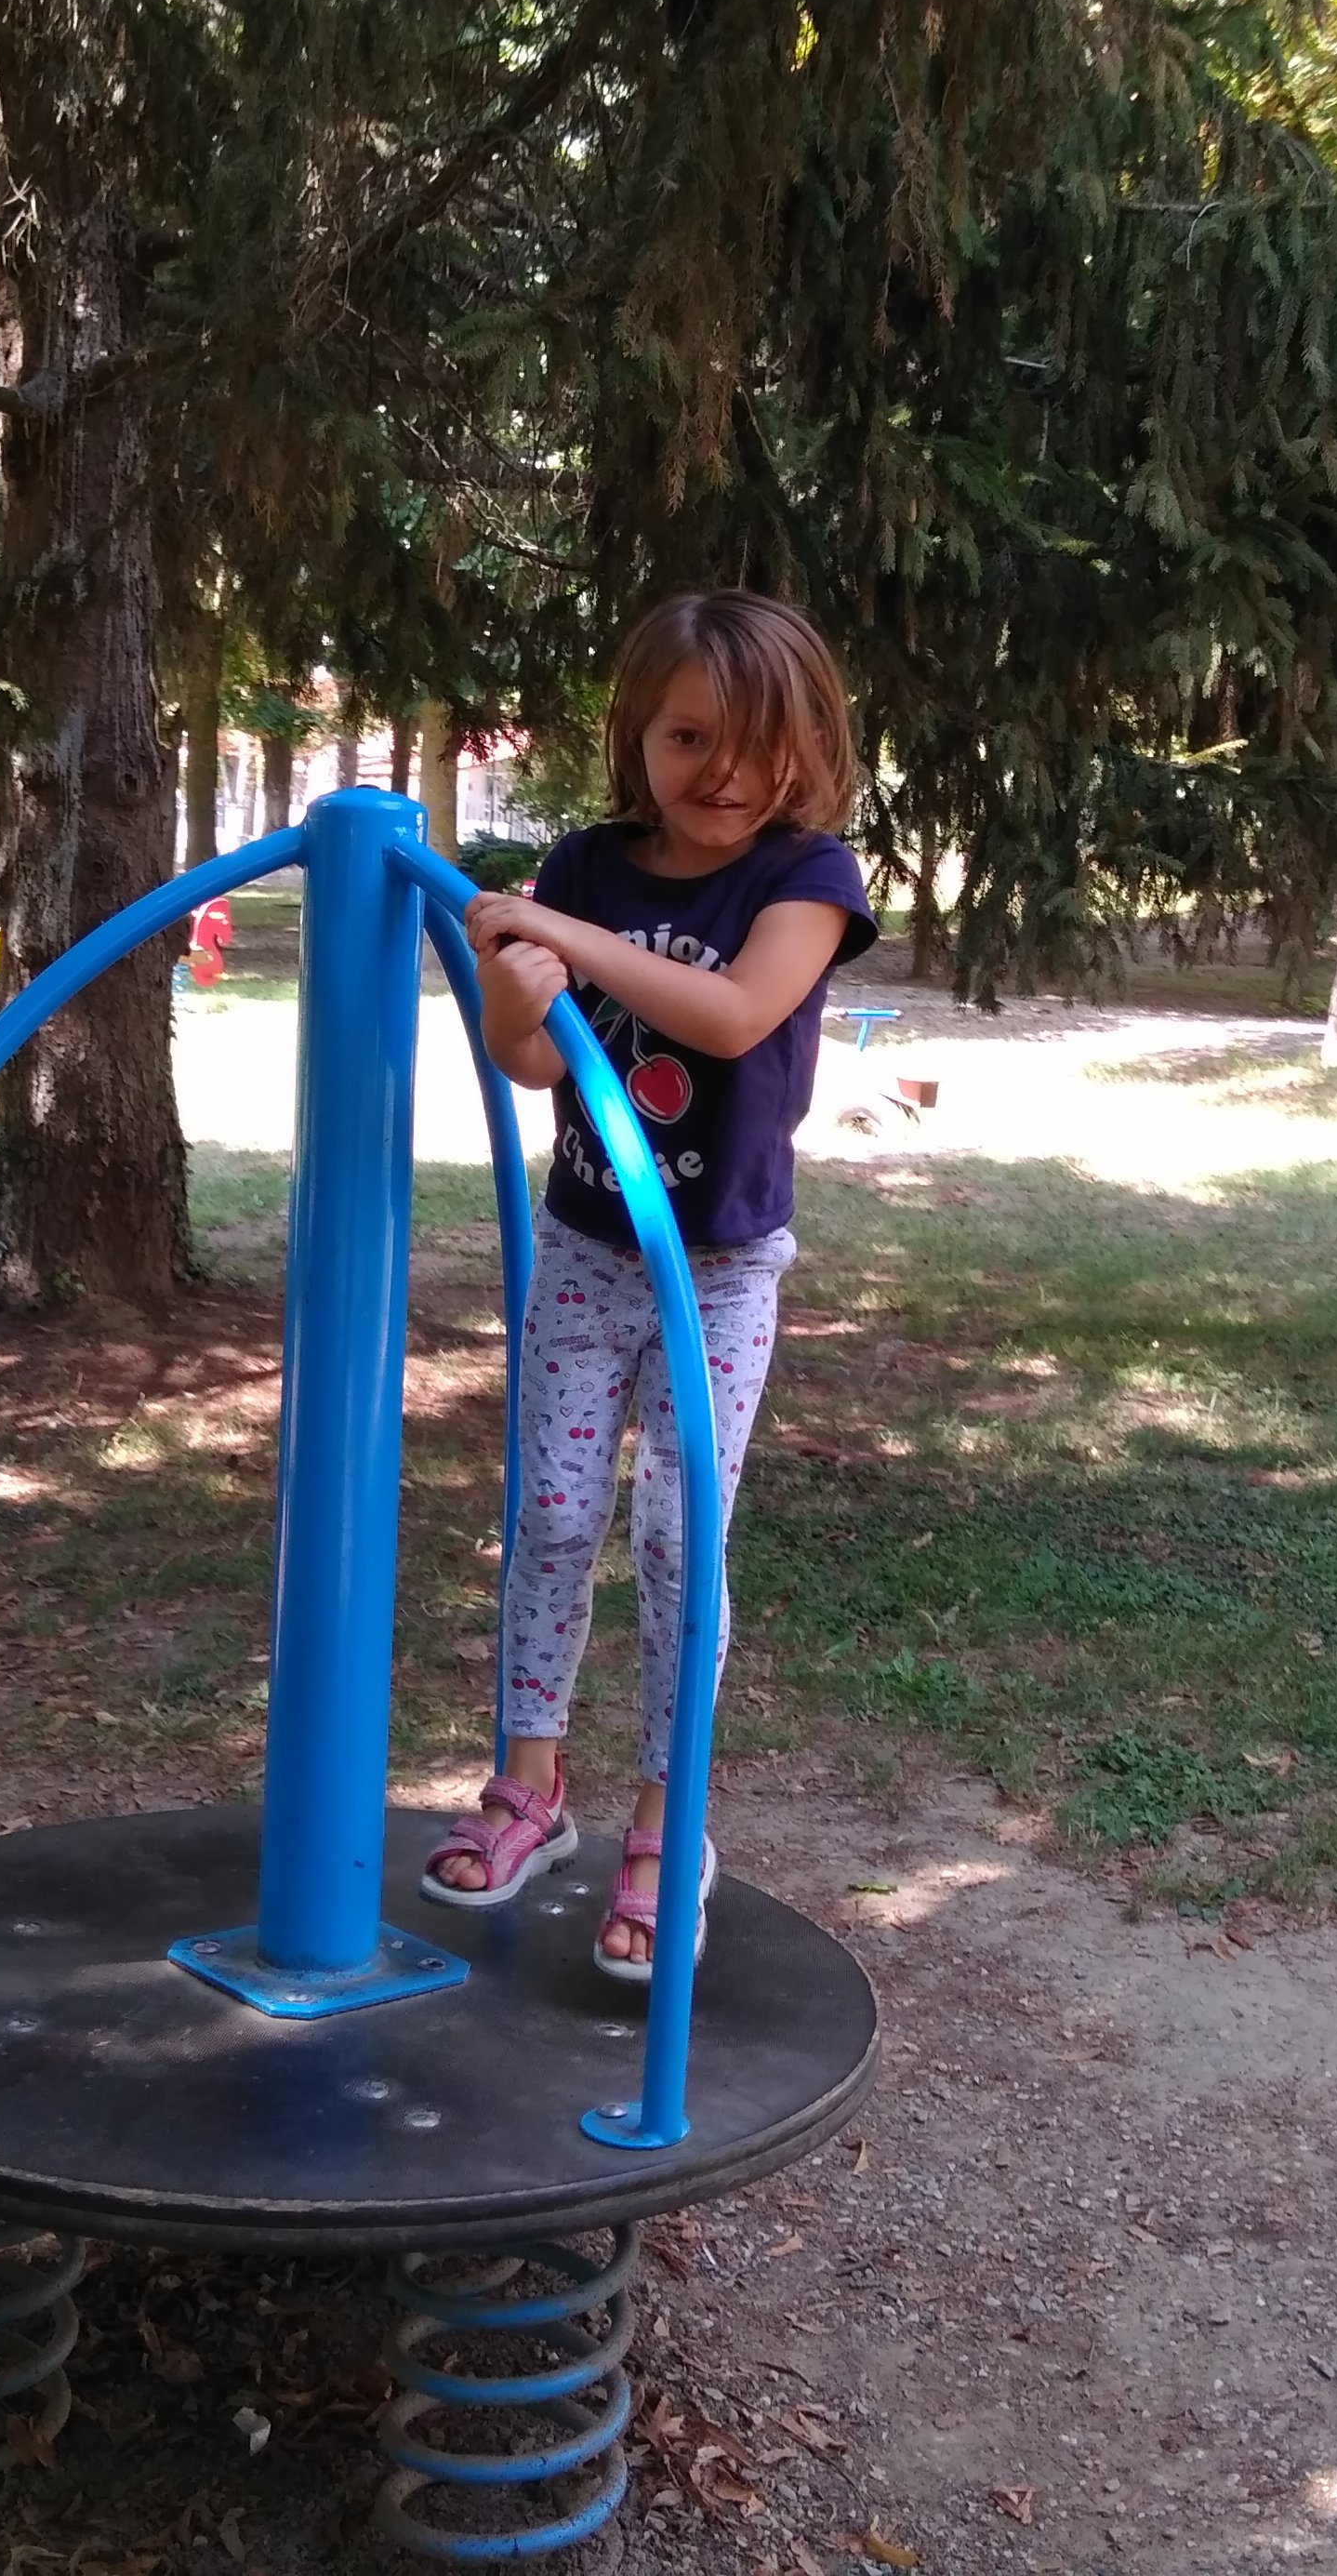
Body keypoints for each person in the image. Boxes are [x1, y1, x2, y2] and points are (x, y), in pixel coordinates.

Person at [422, 591, 875, 1980]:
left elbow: (734, 1015)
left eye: (756, 743)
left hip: (719, 1272)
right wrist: (519, 981)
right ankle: (531, 1787)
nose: (722, 773)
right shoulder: (586, 864)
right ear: (639, 735)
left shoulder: (808, 878)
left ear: (808, 744)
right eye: (688, 738)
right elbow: (531, 1058)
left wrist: (563, 941)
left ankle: (668, 1824)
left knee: (680, 1539)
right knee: (555, 1516)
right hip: (585, 1249)